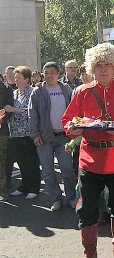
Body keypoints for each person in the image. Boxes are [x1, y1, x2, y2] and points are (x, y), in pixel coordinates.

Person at [61, 42, 114, 258]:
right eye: (98, 65)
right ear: (92, 68)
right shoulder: (82, 92)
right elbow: (67, 121)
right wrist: (72, 129)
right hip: (90, 159)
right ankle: (89, 252)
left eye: (108, 65)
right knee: (86, 208)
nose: (103, 69)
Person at [28, 62, 76, 211]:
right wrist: (35, 134)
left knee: (67, 170)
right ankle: (56, 198)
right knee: (48, 172)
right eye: (46, 72)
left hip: (64, 137)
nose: (49, 75)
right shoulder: (37, 91)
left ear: (58, 74)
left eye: (52, 72)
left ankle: (71, 198)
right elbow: (32, 114)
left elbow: (74, 111)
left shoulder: (66, 89)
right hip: (44, 138)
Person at [4, 66, 41, 200]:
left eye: (19, 78)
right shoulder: (14, 93)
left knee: (31, 161)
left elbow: (33, 113)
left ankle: (34, 188)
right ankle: (24, 186)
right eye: (15, 77)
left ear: (27, 79)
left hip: (28, 133)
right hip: (14, 133)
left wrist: (13, 110)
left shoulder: (33, 92)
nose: (16, 80)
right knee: (21, 162)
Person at [0, 79, 13, 202]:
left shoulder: (6, 88)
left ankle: (3, 190)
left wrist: (3, 118)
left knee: (2, 163)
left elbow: (9, 107)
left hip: (1, 131)